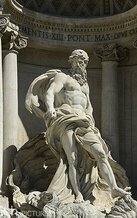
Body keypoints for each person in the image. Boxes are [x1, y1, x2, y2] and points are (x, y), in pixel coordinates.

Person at [25, 49, 127, 203]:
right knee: (72, 158)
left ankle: (113, 188)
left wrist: (90, 118)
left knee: (100, 153)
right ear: (71, 61)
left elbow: (89, 106)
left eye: (85, 61)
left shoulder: (85, 86)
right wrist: (51, 108)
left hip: (84, 122)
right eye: (80, 60)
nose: (83, 64)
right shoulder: (63, 77)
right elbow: (50, 93)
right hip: (65, 118)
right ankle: (77, 193)